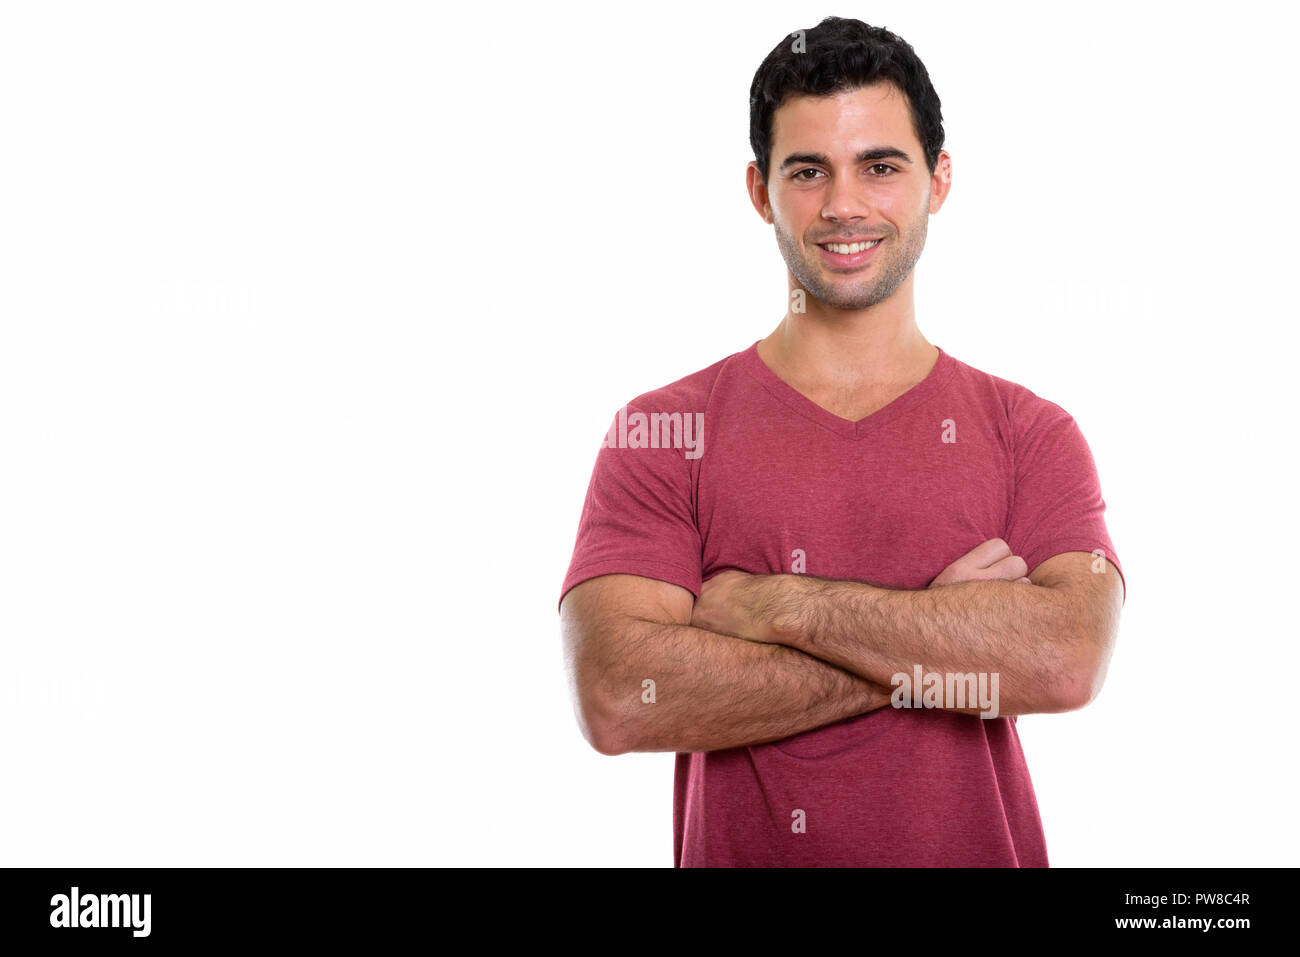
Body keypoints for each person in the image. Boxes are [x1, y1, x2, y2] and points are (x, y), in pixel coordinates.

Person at [557, 16, 1125, 867]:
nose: (845, 205)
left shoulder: (1030, 432)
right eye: (809, 170)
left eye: (881, 166)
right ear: (760, 191)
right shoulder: (664, 431)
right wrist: (942, 633)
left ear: (938, 180)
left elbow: (1064, 658)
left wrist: (775, 609)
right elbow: (618, 699)